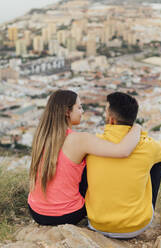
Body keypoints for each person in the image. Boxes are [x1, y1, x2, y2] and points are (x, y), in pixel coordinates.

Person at [28, 90, 142, 226]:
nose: (82, 111)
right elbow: (123, 151)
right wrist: (137, 128)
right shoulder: (79, 139)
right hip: (67, 215)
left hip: (36, 212)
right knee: (94, 162)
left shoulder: (41, 136)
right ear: (66, 112)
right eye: (79, 107)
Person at [85, 92, 161, 238]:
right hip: (134, 227)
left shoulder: (93, 144)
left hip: (96, 224)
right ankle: (147, 208)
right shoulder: (147, 146)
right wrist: (141, 132)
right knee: (158, 162)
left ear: (111, 119)